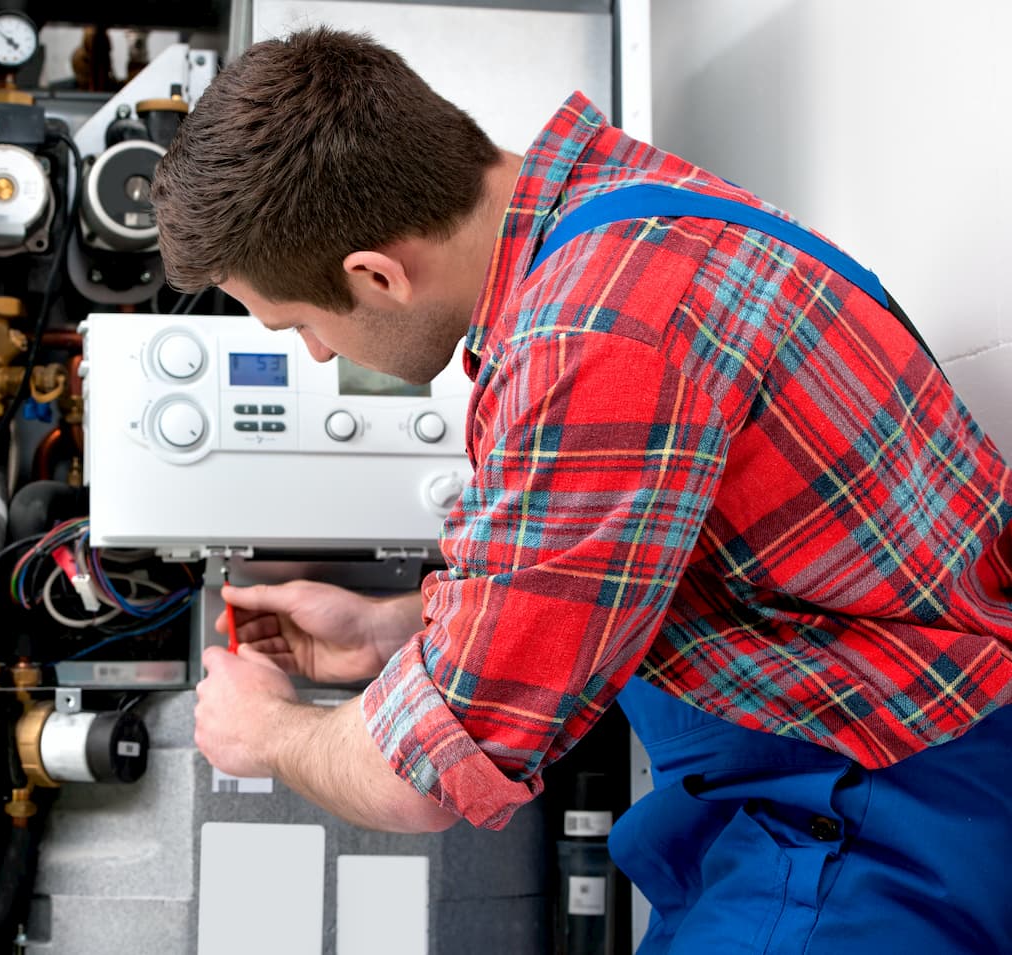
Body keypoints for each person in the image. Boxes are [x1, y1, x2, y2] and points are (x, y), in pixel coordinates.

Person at [151, 27, 1012, 954]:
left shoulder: (593, 343)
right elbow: (607, 570)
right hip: (826, 774)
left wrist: (268, 730)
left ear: (375, 275)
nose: (316, 353)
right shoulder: (620, 210)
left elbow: (423, 781)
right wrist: (390, 629)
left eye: (299, 325)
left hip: (871, 809)